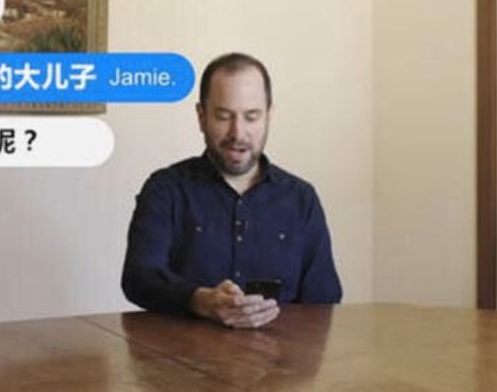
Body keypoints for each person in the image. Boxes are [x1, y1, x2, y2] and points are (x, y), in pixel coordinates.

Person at [122, 52, 342, 329]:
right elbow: (139, 279)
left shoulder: (301, 198)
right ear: (201, 117)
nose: (238, 133)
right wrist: (199, 300)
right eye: (224, 116)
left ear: (269, 116)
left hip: (281, 353)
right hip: (181, 353)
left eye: (252, 117)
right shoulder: (165, 189)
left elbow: (324, 299)